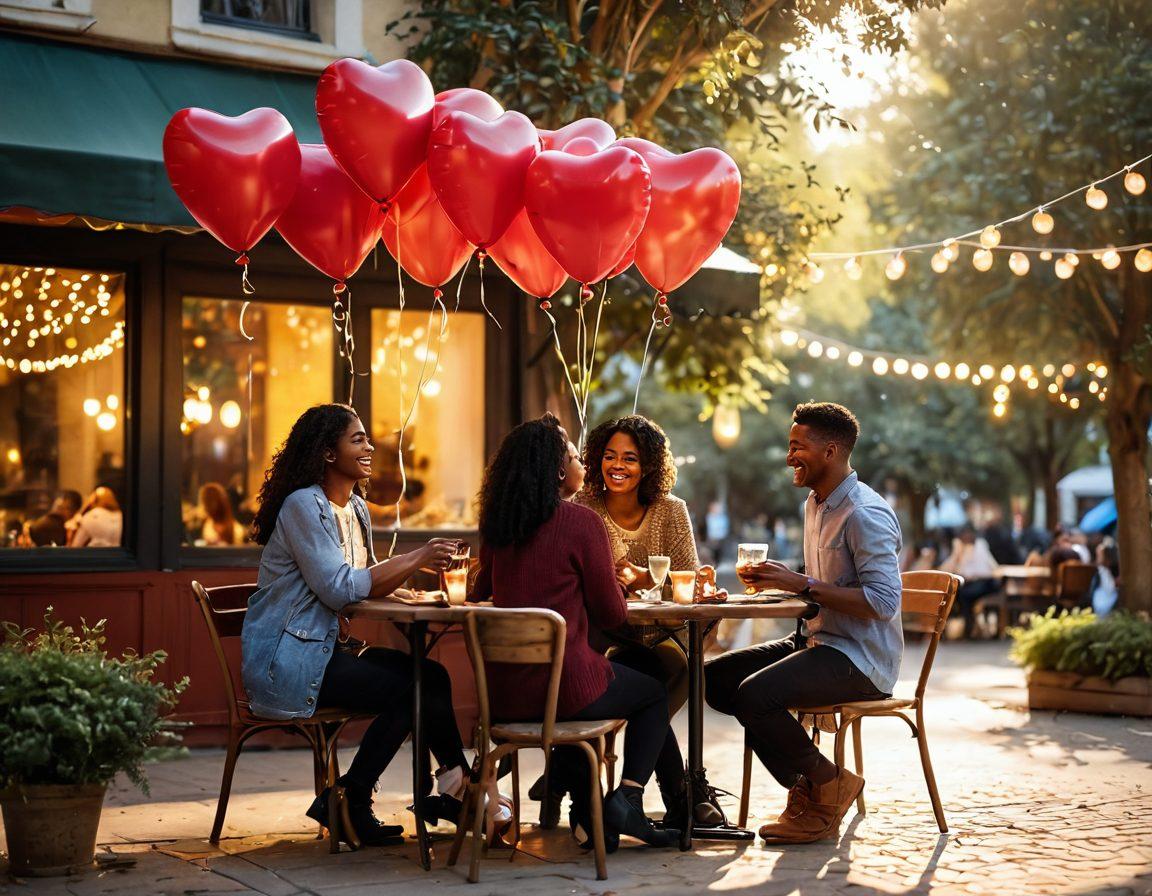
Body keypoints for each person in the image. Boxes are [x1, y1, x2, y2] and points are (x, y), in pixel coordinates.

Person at [242, 403, 469, 847]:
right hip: (288, 661)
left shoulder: (356, 509)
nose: (369, 447)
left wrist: (406, 589)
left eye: (367, 438)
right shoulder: (303, 505)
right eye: (358, 439)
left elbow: (362, 579)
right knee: (413, 688)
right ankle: (368, 796)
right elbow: (340, 588)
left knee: (431, 676)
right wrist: (416, 557)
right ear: (328, 452)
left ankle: (451, 785)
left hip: (326, 651)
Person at [472, 413, 680, 851]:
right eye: (573, 455)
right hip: (566, 691)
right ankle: (627, 800)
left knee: (627, 674)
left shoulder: (498, 525)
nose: (582, 462)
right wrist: (619, 583)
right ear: (558, 470)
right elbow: (611, 615)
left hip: (504, 697)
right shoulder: (582, 523)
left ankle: (581, 805)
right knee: (652, 691)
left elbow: (480, 590)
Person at [704, 402, 903, 845]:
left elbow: (884, 602)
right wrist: (787, 583)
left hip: (861, 660)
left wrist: (803, 583)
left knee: (756, 695)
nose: (788, 455)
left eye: (797, 446)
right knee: (713, 680)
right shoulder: (815, 505)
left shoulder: (864, 512)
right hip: (820, 642)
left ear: (830, 451)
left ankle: (826, 786)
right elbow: (818, 588)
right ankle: (813, 785)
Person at [572, 414, 723, 830]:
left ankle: (572, 775)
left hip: (665, 634)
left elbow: (689, 578)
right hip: (606, 638)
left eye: (630, 458)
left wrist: (646, 578)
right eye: (609, 456)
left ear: (649, 466)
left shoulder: (671, 511)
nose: (617, 466)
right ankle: (682, 798)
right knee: (655, 686)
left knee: (675, 668)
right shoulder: (582, 508)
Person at [940, 525, 1002, 638]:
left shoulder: (980, 546)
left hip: (987, 582)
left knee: (964, 595)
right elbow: (950, 568)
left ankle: (968, 629)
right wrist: (957, 553)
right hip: (976, 583)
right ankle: (968, 628)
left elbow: (978, 571)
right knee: (956, 594)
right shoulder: (964, 548)